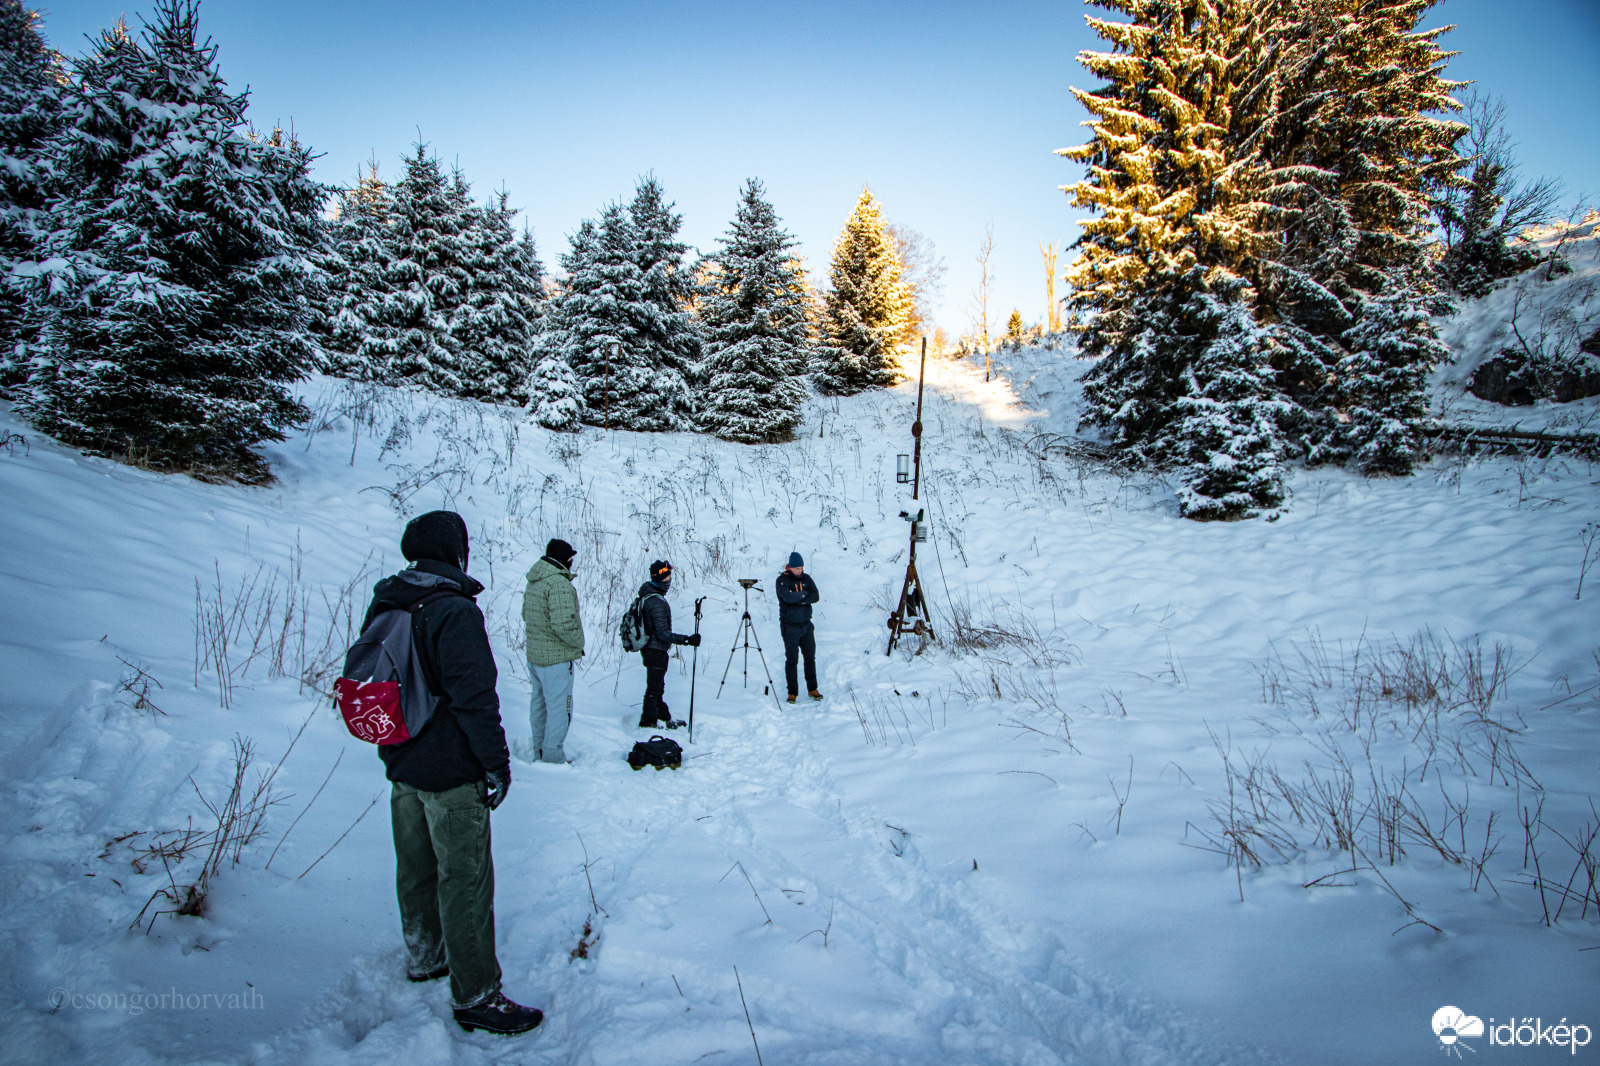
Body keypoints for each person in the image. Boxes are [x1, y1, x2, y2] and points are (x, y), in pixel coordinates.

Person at [363, 510, 543, 1036]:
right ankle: (476, 995)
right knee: (464, 880)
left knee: (416, 869)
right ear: (455, 552)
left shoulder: (387, 600)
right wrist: (496, 764)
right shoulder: (454, 610)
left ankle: (426, 957)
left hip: (401, 761)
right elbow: (475, 698)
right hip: (450, 769)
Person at [521, 537, 584, 764]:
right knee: (560, 708)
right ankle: (553, 756)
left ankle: (539, 750)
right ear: (564, 559)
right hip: (557, 659)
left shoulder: (535, 580)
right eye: (570, 558)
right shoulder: (558, 584)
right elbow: (563, 624)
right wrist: (578, 643)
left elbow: (526, 615)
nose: (571, 562)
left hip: (536, 657)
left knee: (539, 704)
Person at [636, 559, 700, 729]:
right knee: (654, 689)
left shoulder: (648, 596)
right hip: (655, 650)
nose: (670, 581)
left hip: (651, 649)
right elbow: (662, 633)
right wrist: (686, 640)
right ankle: (648, 722)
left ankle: (664, 717)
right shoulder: (656, 602)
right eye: (667, 577)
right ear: (661, 578)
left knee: (657, 687)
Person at [775, 551, 822, 703]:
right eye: (797, 568)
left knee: (810, 658)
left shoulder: (807, 578)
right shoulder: (782, 580)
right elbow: (788, 598)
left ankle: (812, 689)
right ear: (790, 567)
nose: (799, 571)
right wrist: (804, 596)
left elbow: (815, 596)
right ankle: (792, 693)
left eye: (801, 568)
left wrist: (799, 599)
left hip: (807, 626)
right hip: (790, 627)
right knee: (792, 660)